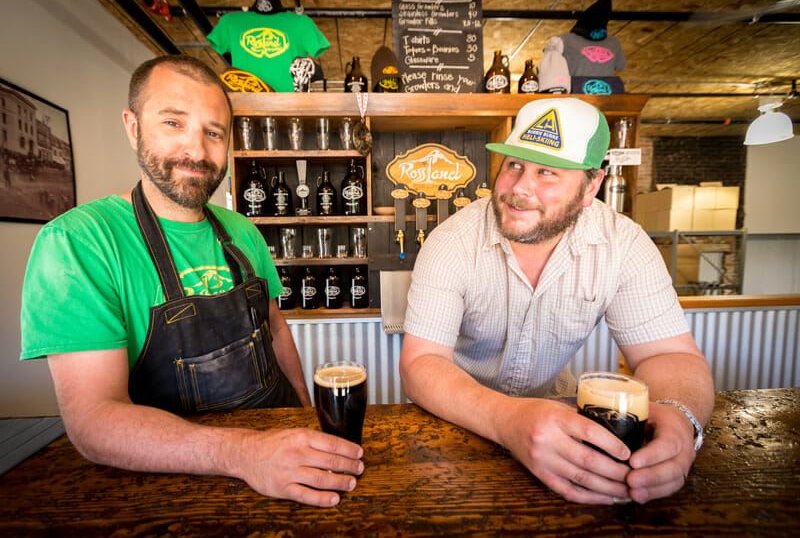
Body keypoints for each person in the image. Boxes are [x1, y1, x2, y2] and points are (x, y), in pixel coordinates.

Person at [20, 55, 362, 507]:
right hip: (175, 486)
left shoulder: (243, 231)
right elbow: (94, 422)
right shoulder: (79, 243)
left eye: (213, 132)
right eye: (173, 123)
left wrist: (302, 413)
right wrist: (244, 453)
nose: (197, 151)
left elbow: (276, 329)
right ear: (133, 126)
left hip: (279, 458)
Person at [399, 97, 714, 505]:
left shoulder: (625, 244)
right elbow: (421, 364)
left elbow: (669, 353)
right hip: (456, 417)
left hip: (560, 414)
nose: (518, 189)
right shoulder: (452, 241)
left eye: (546, 172)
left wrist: (679, 417)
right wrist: (509, 419)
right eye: (514, 165)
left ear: (591, 186)